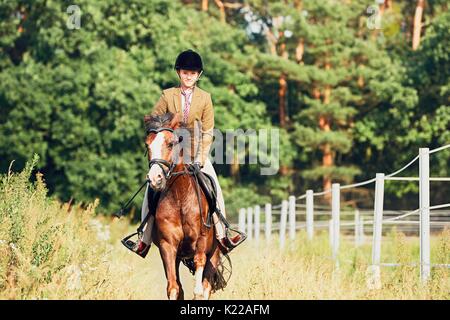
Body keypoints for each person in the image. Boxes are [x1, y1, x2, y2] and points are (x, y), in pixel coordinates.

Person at [133, 49, 242, 258]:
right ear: (178, 73)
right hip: (171, 152)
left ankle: (223, 234)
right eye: (185, 72)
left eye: (193, 73)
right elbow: (154, 120)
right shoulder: (167, 95)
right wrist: (163, 131)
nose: (188, 76)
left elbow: (209, 130)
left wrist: (201, 158)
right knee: (151, 188)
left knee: (215, 186)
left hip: (195, 152)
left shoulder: (205, 98)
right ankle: (144, 239)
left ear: (198, 75)